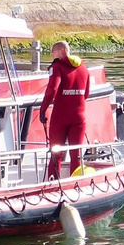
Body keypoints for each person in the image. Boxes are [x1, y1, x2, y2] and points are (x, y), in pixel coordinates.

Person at [39, 41, 90, 180]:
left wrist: (43, 109)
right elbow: (86, 94)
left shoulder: (56, 67)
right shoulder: (84, 69)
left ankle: (53, 184)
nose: (51, 54)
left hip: (60, 117)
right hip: (79, 117)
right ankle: (76, 184)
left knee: (56, 154)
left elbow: (52, 90)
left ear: (61, 51)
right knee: (76, 154)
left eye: (53, 51)